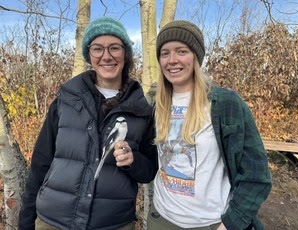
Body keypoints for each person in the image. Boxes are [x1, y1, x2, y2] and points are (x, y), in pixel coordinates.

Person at [18, 17, 158, 230]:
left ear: (126, 54)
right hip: (53, 222)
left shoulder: (142, 110)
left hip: (112, 224)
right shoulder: (66, 99)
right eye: (97, 48)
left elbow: (150, 171)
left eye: (114, 48)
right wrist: (26, 221)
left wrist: (133, 160)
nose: (106, 56)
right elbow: (40, 164)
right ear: (89, 55)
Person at [147, 20, 272, 230]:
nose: (172, 60)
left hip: (211, 223)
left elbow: (257, 174)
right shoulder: (155, 103)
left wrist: (231, 224)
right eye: (165, 53)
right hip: (161, 220)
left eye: (181, 51)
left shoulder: (226, 105)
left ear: (196, 56)